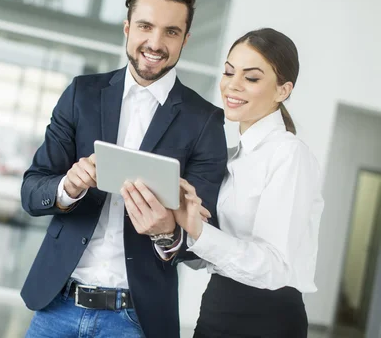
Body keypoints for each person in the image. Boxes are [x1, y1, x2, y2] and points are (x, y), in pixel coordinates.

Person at [20, 0, 228, 338]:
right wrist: (68, 187)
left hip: (135, 319)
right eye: (146, 26)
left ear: (185, 39)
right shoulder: (82, 94)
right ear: (127, 27)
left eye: (171, 32)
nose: (156, 42)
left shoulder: (205, 121)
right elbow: (33, 191)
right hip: (56, 307)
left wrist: (168, 233)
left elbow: (206, 238)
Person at [121, 28, 325, 338]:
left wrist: (199, 231)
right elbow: (212, 257)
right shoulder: (230, 156)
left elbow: (275, 266)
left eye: (251, 78)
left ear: (283, 90)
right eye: (229, 72)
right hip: (218, 306)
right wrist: (171, 226)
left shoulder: (289, 154)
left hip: (266, 319)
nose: (232, 85)